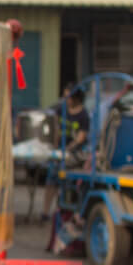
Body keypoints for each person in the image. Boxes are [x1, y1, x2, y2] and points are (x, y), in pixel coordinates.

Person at [41, 87, 90, 220]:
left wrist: (68, 148)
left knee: (68, 181)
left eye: (69, 97)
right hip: (59, 152)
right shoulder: (61, 110)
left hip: (74, 153)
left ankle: (66, 210)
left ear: (77, 98)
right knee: (51, 179)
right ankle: (45, 212)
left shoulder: (83, 115)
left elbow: (81, 137)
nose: (66, 100)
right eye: (65, 96)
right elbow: (54, 125)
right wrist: (55, 145)